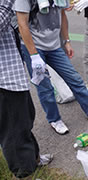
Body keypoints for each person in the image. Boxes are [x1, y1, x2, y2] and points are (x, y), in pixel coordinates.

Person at [14, 0, 88, 135]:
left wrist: (66, 41)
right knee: (45, 88)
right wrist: (34, 55)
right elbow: (22, 24)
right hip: (34, 47)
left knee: (75, 79)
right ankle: (54, 120)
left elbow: (62, 15)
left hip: (54, 46)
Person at [0, 0, 52, 178]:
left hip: (12, 71)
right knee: (14, 129)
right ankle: (24, 172)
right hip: (4, 79)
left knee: (25, 117)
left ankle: (34, 159)